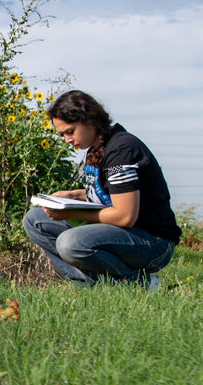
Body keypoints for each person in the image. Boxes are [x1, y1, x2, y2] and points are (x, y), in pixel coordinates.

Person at [22, 90, 180, 289]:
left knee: (70, 243)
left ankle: (141, 284)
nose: (67, 140)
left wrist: (69, 213)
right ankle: (86, 283)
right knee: (35, 219)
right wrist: (71, 195)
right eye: (62, 134)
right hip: (124, 235)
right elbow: (107, 193)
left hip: (153, 243)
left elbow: (124, 216)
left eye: (70, 131)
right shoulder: (96, 147)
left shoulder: (122, 150)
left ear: (90, 120)